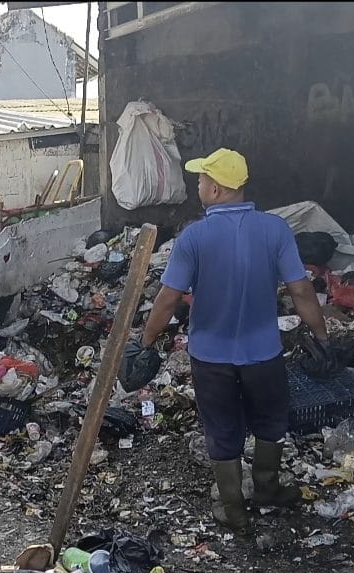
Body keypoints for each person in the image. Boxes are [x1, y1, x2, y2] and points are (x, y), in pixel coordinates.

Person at [139, 148, 336, 533]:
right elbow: (300, 290)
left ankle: (234, 509)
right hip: (263, 352)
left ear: (215, 189)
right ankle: (266, 489)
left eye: (200, 180)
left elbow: (167, 300)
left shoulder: (193, 237)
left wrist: (145, 341)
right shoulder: (275, 230)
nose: (198, 185)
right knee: (270, 422)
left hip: (211, 357)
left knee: (223, 430)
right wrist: (321, 334)